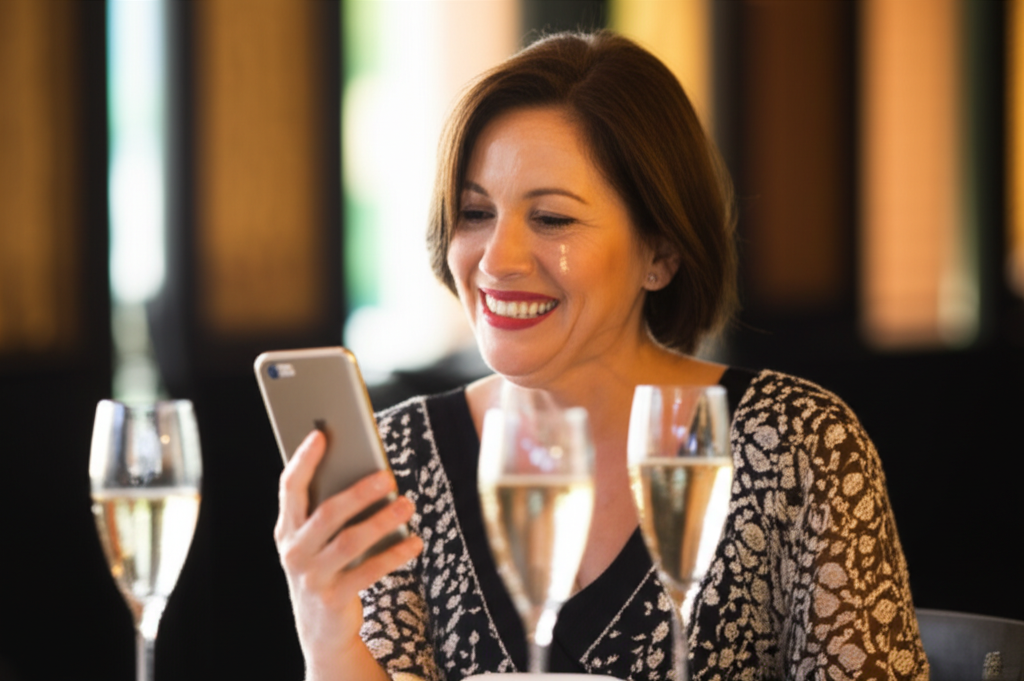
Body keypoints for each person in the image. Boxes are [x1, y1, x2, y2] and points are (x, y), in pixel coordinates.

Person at [274, 31, 929, 681]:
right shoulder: (402, 462)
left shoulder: (795, 443)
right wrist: (327, 632)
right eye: (476, 212)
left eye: (552, 219)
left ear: (660, 252)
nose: (496, 260)